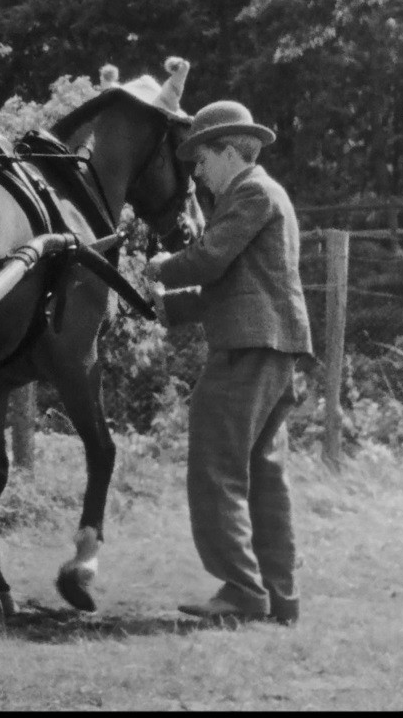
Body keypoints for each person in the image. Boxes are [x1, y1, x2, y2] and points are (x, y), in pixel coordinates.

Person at [144, 99, 313, 627]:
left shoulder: (252, 192)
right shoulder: (263, 195)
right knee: (264, 478)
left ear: (225, 152)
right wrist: (163, 306)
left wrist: (159, 267)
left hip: (248, 350)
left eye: (200, 160)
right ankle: (280, 599)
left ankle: (242, 590)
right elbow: (233, 285)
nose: (195, 172)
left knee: (216, 470)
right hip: (271, 348)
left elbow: (209, 261)